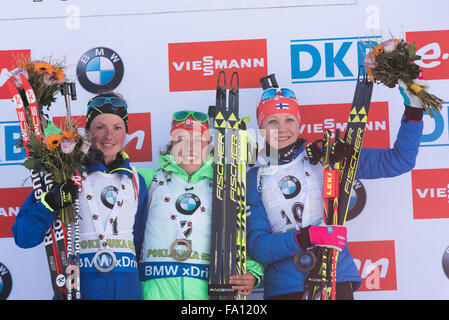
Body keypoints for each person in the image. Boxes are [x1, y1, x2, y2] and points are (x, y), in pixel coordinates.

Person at [246, 79, 424, 300]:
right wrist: (307, 237)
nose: (282, 129)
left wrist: (414, 111)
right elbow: (258, 247)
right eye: (272, 121)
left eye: (289, 119)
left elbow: (399, 160)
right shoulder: (254, 177)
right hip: (284, 287)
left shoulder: (329, 156)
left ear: (299, 123)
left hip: (335, 278)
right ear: (261, 126)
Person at [12, 93, 149, 300]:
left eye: (117, 127)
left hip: (127, 293)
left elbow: (139, 244)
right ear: (87, 132)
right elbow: (23, 237)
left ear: (126, 132)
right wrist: (51, 203)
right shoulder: (64, 172)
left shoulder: (136, 181)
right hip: (78, 292)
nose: (109, 136)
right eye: (100, 127)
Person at [138, 110, 264, 300]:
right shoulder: (147, 180)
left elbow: (243, 231)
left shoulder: (226, 185)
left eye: (198, 140)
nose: (190, 148)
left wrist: (252, 272)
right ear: (171, 143)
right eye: (181, 139)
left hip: (205, 295)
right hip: (155, 293)